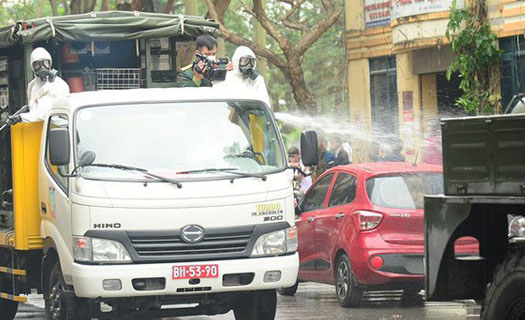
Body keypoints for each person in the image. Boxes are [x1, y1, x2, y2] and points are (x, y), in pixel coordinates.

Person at [6, 47, 69, 125]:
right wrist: (26, 109)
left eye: (45, 63)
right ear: (32, 67)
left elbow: (44, 113)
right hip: (38, 129)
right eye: (37, 64)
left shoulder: (57, 85)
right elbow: (33, 108)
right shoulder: (32, 86)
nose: (42, 67)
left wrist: (21, 118)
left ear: (50, 64)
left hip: (56, 130)